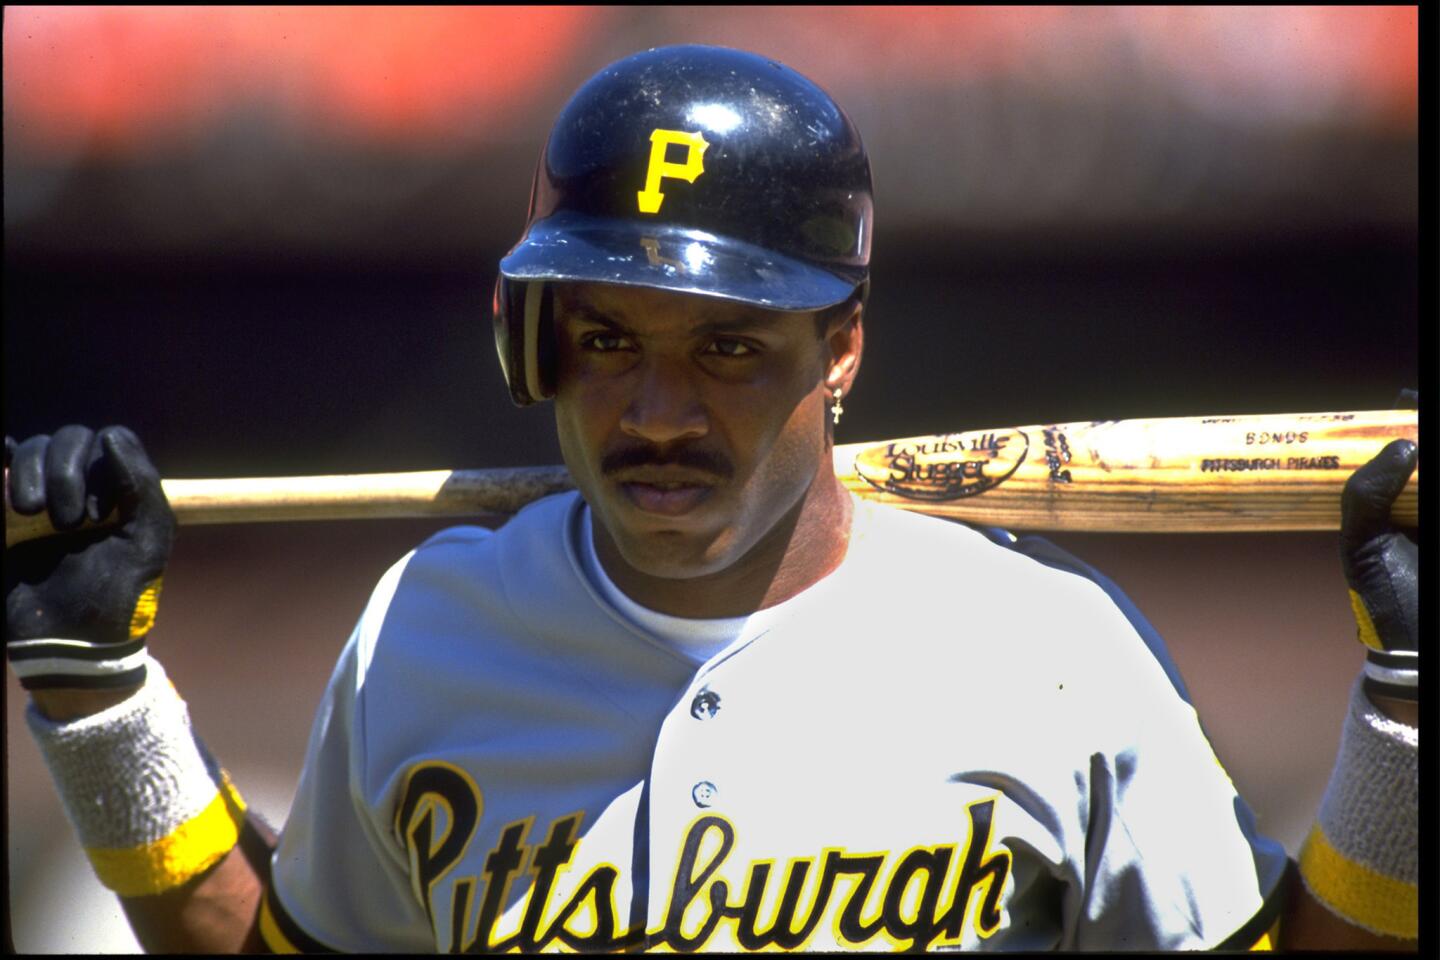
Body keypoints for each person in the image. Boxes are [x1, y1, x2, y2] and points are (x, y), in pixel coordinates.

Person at [5, 44, 1418, 953]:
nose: (657, 412)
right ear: (535, 341)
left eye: (728, 348)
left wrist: (1403, 723)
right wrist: (97, 702)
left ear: (843, 344)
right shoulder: (426, 630)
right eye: (609, 341)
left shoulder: (1053, 656)